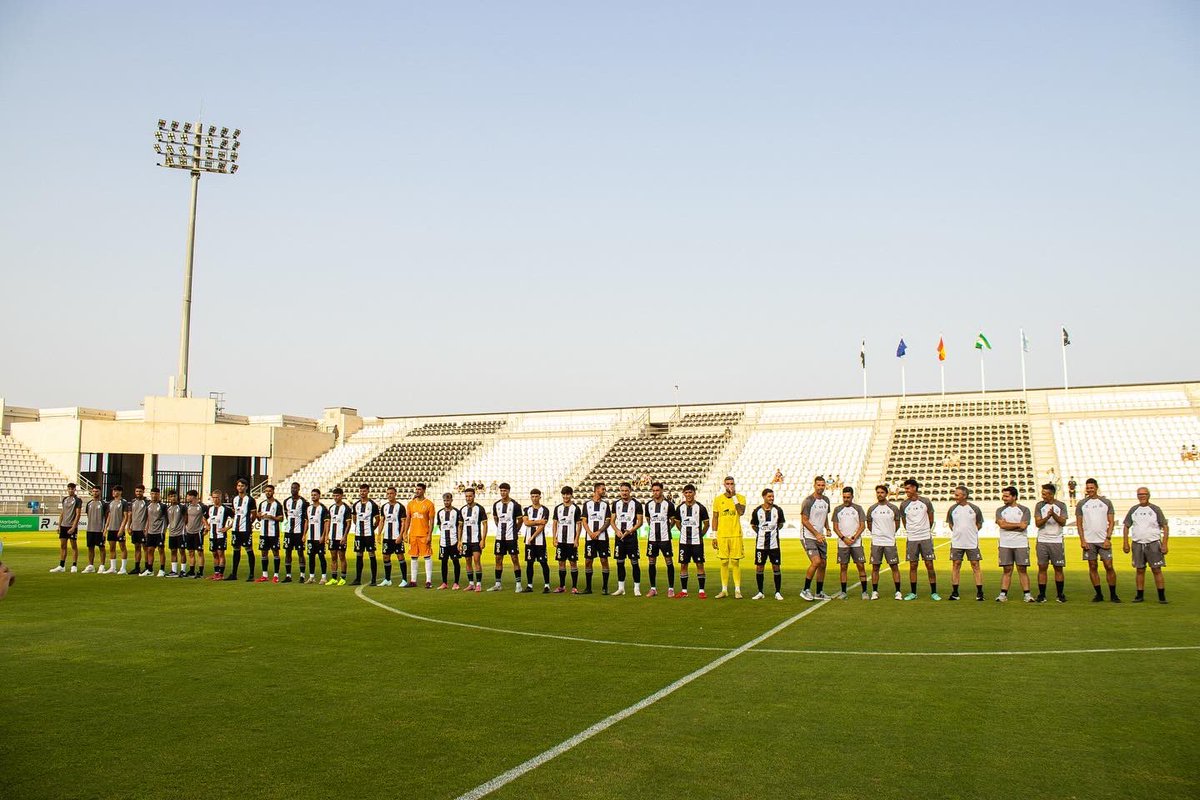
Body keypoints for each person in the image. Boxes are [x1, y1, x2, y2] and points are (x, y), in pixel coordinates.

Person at [1076, 478, 1120, 602]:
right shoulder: (1081, 503)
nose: (1089, 490)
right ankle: (1099, 594)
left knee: (1109, 566)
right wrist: (1082, 540)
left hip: (1103, 540)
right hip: (1089, 541)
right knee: (1093, 566)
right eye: (1088, 488)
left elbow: (1111, 522)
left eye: (1092, 487)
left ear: (1096, 488)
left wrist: (1108, 538)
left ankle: (1113, 594)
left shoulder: (1106, 502)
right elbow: (1079, 524)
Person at [1123, 487, 1169, 604]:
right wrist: (1125, 542)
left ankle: (1162, 596)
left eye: (1144, 494)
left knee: (1156, 569)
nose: (1142, 496)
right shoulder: (1134, 509)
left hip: (1153, 543)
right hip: (1137, 543)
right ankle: (1139, 595)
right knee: (1139, 570)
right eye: (1140, 494)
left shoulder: (1155, 509)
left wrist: (1164, 543)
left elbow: (1164, 526)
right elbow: (1126, 526)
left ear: (1149, 495)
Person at [899, 479, 939, 601]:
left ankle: (934, 592)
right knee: (913, 565)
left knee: (929, 564)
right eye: (905, 488)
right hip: (912, 539)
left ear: (914, 488)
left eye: (908, 488)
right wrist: (912, 531)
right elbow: (904, 521)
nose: (906, 491)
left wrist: (925, 530)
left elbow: (931, 518)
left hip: (925, 537)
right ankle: (913, 593)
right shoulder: (904, 504)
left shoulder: (925, 501)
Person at [945, 485, 985, 601]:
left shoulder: (975, 508)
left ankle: (980, 593)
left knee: (975, 565)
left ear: (964, 495)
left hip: (972, 542)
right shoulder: (952, 509)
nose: (955, 497)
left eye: (957, 495)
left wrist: (971, 532)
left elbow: (979, 524)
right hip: (956, 543)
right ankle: (955, 593)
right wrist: (958, 533)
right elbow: (951, 524)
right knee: (956, 565)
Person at [995, 487, 1034, 603]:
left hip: (1021, 543)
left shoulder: (1024, 510)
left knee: (1022, 569)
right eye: (1003, 496)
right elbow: (1002, 525)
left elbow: (1024, 527)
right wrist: (1017, 525)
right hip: (1005, 543)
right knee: (1007, 569)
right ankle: (1003, 594)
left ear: (1014, 497)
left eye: (1007, 496)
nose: (1004, 498)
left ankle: (1027, 595)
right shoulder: (1000, 510)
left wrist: (1008, 525)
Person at [712, 476, 746, 599]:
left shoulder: (740, 498)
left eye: (732, 483)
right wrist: (714, 536)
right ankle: (724, 590)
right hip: (722, 535)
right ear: (724, 485)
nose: (730, 486)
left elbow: (741, 512)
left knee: (735, 562)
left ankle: (737, 590)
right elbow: (715, 517)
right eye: (727, 484)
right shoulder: (718, 499)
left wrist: (734, 497)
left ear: (734, 485)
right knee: (724, 562)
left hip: (736, 534)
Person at [866, 484, 902, 600]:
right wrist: (877, 534)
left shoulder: (893, 508)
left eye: (882, 492)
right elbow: (869, 524)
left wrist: (889, 533)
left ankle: (898, 592)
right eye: (878, 492)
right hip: (876, 542)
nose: (880, 494)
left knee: (894, 566)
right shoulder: (872, 509)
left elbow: (897, 523)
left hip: (890, 542)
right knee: (875, 567)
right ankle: (875, 592)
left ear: (886, 494)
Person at [1034, 483, 1068, 603]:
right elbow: (1038, 523)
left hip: (1056, 541)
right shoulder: (1039, 505)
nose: (1042, 496)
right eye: (1042, 493)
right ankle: (1042, 594)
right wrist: (1047, 517)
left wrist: (1054, 514)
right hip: (1042, 540)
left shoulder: (1061, 505)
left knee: (1058, 568)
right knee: (1042, 567)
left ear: (1051, 494)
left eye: (1045, 494)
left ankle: (1060, 594)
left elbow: (1063, 522)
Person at [799, 476, 831, 601]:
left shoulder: (826, 500)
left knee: (823, 564)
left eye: (823, 485)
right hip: (808, 536)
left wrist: (827, 528)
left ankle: (819, 592)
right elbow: (804, 520)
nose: (821, 487)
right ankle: (805, 590)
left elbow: (825, 516)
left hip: (820, 536)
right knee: (816, 562)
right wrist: (816, 534)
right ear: (814, 485)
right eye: (818, 485)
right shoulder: (808, 501)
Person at [833, 487, 868, 600]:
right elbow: (835, 527)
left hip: (856, 543)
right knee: (843, 567)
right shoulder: (838, 509)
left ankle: (864, 592)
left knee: (860, 566)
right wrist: (844, 538)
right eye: (844, 497)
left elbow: (862, 526)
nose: (846, 499)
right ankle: (843, 592)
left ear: (852, 496)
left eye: (848, 497)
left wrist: (853, 538)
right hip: (843, 543)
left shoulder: (858, 508)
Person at [675, 484, 709, 599]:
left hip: (697, 542)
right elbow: (677, 523)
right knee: (683, 565)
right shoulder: (680, 508)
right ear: (683, 494)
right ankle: (684, 591)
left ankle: (701, 591)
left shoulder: (701, 508)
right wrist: (683, 532)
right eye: (686, 493)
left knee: (700, 564)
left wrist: (700, 535)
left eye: (690, 492)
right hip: (684, 542)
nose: (688, 495)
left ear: (694, 493)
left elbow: (706, 524)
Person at [750, 488, 785, 600]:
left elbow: (781, 524)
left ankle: (777, 592)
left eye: (772, 496)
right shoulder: (757, 511)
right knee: (759, 567)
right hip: (760, 545)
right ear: (764, 497)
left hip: (774, 545)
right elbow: (754, 525)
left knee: (776, 566)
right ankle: (760, 592)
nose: (771, 498)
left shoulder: (778, 510)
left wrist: (773, 532)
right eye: (769, 496)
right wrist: (761, 532)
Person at [643, 481, 677, 598]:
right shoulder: (648, 505)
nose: (655, 492)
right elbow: (648, 519)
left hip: (665, 538)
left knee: (669, 562)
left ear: (662, 490)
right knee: (651, 562)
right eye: (653, 491)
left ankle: (671, 589)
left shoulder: (669, 504)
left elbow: (673, 520)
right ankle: (653, 589)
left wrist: (667, 528)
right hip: (652, 538)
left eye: (657, 490)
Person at [489, 482, 524, 593]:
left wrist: (515, 531)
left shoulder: (515, 505)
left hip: (511, 537)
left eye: (505, 490)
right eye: (501, 491)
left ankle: (518, 584)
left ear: (508, 491)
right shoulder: (496, 505)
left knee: (514, 559)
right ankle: (498, 584)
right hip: (500, 537)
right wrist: (499, 528)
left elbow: (520, 520)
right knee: (498, 559)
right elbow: (496, 519)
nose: (503, 492)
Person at [611, 481, 644, 597]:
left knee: (634, 563)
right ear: (620, 491)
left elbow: (640, 521)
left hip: (631, 538)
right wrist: (617, 530)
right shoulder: (615, 504)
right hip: (619, 538)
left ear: (630, 491)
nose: (624, 493)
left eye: (626, 491)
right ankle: (621, 588)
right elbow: (612, 521)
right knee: (620, 563)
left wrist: (631, 530)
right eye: (622, 491)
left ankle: (636, 588)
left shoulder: (637, 504)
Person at [581, 482, 612, 595]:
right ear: (596, 490)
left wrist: (598, 531)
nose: (604, 491)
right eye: (603, 489)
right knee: (588, 561)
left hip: (602, 538)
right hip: (590, 538)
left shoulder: (605, 504)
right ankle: (588, 588)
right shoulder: (587, 504)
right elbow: (584, 521)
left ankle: (605, 587)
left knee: (604, 560)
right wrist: (590, 533)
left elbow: (608, 521)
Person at [552, 486, 582, 594]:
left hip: (571, 541)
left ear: (571, 495)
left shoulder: (576, 508)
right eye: (564, 494)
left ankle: (574, 587)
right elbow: (555, 524)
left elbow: (579, 525)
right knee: (561, 563)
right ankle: (562, 586)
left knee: (573, 563)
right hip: (560, 541)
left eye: (568, 494)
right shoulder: (558, 508)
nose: (565, 496)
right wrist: (554, 538)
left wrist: (576, 539)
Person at [227, 478, 258, 582]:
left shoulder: (250, 500)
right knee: (236, 550)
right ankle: (234, 573)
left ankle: (251, 574)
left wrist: (249, 524)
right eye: (239, 486)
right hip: (236, 529)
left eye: (242, 486)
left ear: (246, 487)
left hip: (245, 529)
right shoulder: (234, 499)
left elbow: (254, 515)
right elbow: (234, 513)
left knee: (249, 550)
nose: (240, 488)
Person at [407, 483, 436, 589]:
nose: (417, 491)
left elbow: (431, 521)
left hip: (424, 534)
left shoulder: (429, 504)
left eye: (419, 489)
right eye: (416, 489)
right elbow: (408, 519)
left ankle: (428, 581)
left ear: (424, 490)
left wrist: (429, 535)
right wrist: (405, 532)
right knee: (413, 557)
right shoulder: (411, 504)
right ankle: (413, 580)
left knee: (427, 556)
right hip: (413, 534)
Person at [522, 489, 551, 593]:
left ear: (540, 497)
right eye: (533, 496)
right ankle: (529, 585)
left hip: (540, 541)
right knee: (529, 563)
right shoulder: (527, 509)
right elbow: (526, 523)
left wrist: (533, 536)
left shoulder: (545, 510)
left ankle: (547, 585)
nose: (534, 498)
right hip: (529, 542)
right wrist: (538, 521)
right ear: (530, 497)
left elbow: (542, 526)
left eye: (536, 496)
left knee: (543, 562)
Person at [351, 484, 380, 586]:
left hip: (369, 534)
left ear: (368, 491)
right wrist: (358, 527)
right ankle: (358, 579)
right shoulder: (356, 505)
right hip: (358, 535)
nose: (362, 493)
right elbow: (354, 519)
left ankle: (373, 579)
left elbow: (377, 519)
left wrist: (372, 528)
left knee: (371, 554)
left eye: (364, 491)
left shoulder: (372, 505)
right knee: (359, 555)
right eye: (361, 491)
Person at [379, 486, 408, 587]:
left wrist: (401, 535)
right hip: (387, 537)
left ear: (395, 494)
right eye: (388, 493)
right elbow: (382, 521)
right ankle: (387, 579)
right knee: (385, 557)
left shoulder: (400, 507)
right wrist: (379, 534)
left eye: (391, 493)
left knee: (400, 556)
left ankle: (404, 580)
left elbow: (403, 522)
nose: (389, 495)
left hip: (397, 536)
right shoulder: (384, 507)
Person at [459, 487, 488, 592]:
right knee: (467, 561)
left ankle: (478, 584)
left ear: (474, 496)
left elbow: (485, 524)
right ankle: (471, 584)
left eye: (470, 496)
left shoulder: (480, 508)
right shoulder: (462, 510)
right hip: (466, 541)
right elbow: (460, 526)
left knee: (476, 560)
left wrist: (483, 539)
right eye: (466, 496)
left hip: (476, 540)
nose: (468, 498)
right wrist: (459, 541)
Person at [51, 482, 81, 573]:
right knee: (63, 546)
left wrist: (73, 527)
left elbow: (78, 514)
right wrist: (59, 525)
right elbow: (63, 513)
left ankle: (74, 565)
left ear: (75, 489)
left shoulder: (78, 500)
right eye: (69, 489)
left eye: (72, 489)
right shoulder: (64, 499)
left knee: (73, 546)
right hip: (63, 525)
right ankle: (62, 565)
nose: (71, 490)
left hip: (71, 526)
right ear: (67, 489)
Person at [282, 482, 309, 583]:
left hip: (299, 532)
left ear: (299, 489)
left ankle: (302, 576)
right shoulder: (286, 501)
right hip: (288, 532)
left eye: (295, 488)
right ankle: (288, 575)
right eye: (292, 488)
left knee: (300, 553)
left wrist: (304, 533)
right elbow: (287, 515)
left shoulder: (304, 502)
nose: (293, 489)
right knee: (287, 552)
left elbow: (306, 519)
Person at [256, 484, 284, 583]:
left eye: (270, 491)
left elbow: (281, 518)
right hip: (263, 533)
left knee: (275, 553)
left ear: (273, 492)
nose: (268, 493)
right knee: (264, 553)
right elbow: (258, 518)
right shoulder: (262, 504)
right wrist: (258, 515)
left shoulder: (277, 504)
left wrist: (272, 517)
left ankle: (276, 575)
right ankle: (265, 575)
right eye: (266, 491)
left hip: (273, 533)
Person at [436, 492, 462, 590]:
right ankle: (444, 583)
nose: (446, 502)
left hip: (454, 541)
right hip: (443, 542)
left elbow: (459, 526)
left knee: (455, 561)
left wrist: (459, 540)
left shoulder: (456, 512)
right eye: (445, 500)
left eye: (448, 500)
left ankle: (456, 583)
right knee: (443, 562)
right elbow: (440, 526)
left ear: (451, 500)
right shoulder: (440, 512)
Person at [326, 488, 351, 585]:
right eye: (334, 496)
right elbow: (329, 522)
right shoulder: (331, 508)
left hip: (341, 537)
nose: (335, 497)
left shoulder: (346, 508)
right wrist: (327, 535)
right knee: (333, 557)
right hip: (332, 537)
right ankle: (334, 578)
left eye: (337, 495)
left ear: (341, 496)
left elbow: (348, 524)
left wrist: (345, 536)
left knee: (342, 557)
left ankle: (343, 578)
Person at [104, 485, 131, 575]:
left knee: (122, 547)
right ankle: (113, 568)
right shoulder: (111, 503)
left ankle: (123, 568)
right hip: (111, 528)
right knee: (112, 548)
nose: (114, 492)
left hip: (119, 528)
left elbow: (126, 516)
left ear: (120, 492)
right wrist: (105, 528)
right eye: (113, 491)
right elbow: (109, 516)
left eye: (116, 491)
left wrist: (122, 528)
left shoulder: (124, 502)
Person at [206, 489, 232, 580]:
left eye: (217, 497)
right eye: (213, 497)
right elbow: (203, 517)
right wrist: (207, 526)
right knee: (214, 554)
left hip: (221, 535)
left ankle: (221, 574)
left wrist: (227, 528)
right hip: (212, 535)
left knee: (220, 553)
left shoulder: (225, 509)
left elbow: (235, 517)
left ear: (220, 498)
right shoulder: (210, 508)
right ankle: (216, 573)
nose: (215, 499)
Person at [142, 487, 168, 577]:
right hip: (150, 531)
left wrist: (164, 530)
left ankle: (162, 569)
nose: (154, 496)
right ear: (150, 494)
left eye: (156, 494)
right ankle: (150, 570)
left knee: (161, 550)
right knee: (150, 550)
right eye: (152, 494)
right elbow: (148, 518)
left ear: (159, 495)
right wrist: (146, 529)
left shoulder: (163, 506)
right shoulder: (148, 505)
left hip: (159, 531)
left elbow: (166, 519)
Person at [305, 488, 330, 584]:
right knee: (311, 557)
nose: (313, 496)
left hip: (319, 537)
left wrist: (324, 536)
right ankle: (311, 577)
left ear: (319, 496)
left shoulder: (323, 508)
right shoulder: (309, 508)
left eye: (315, 495)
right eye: (312, 495)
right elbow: (307, 522)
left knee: (321, 556)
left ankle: (324, 577)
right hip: (310, 537)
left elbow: (326, 523)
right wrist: (304, 534)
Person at [182, 489, 207, 578]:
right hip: (189, 532)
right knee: (191, 552)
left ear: (193, 496)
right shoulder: (187, 507)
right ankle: (191, 571)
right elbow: (186, 518)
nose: (187, 498)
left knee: (200, 552)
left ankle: (200, 572)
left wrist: (206, 528)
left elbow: (207, 518)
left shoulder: (202, 506)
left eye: (188, 496)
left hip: (198, 532)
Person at [82, 486, 106, 573]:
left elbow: (107, 517)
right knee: (90, 548)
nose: (95, 493)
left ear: (100, 492)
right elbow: (88, 515)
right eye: (93, 491)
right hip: (90, 529)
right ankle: (91, 565)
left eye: (97, 491)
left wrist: (105, 529)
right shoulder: (89, 503)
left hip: (100, 530)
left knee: (101, 548)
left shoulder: (103, 504)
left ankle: (102, 566)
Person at [128, 485, 150, 577]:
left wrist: (146, 528)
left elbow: (149, 516)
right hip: (135, 528)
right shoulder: (133, 502)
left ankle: (147, 567)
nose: (138, 493)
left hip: (142, 529)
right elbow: (130, 515)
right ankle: (137, 567)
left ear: (143, 492)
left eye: (140, 491)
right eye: (137, 491)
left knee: (145, 548)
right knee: (137, 548)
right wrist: (129, 526)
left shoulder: (147, 502)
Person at [165, 489, 186, 578]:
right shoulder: (168, 508)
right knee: (173, 551)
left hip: (180, 533)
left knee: (182, 551)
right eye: (171, 496)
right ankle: (174, 571)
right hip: (172, 533)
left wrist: (184, 527)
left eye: (174, 496)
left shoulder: (182, 507)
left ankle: (183, 570)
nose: (173, 498)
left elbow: (186, 518)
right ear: (168, 498)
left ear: (177, 497)